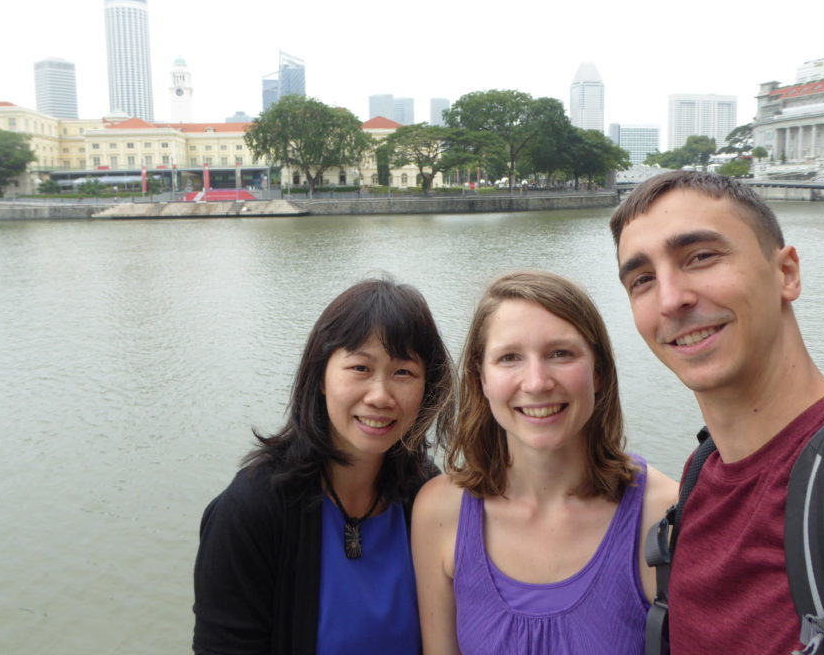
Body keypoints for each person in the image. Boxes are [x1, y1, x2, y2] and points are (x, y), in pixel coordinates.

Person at [609, 170, 824, 653]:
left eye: (701, 257)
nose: (672, 299)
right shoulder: (700, 479)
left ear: (787, 273)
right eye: (643, 280)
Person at [411, 270, 678, 654]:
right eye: (510, 358)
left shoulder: (663, 514)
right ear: (480, 378)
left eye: (560, 354)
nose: (536, 382)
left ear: (598, 371)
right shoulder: (439, 511)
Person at [193, 277, 454, 655]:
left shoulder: (427, 495)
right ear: (320, 378)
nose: (380, 396)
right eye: (360, 368)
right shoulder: (251, 509)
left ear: (426, 389)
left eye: (403, 373)